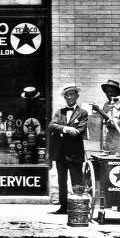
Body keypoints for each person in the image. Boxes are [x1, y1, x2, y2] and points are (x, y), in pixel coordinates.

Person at [47, 84, 88, 215]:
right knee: (62, 181)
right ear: (64, 97)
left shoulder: (82, 113)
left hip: (75, 153)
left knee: (77, 180)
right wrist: (66, 129)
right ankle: (63, 207)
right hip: (60, 153)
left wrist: (63, 129)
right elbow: (51, 125)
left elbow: (79, 130)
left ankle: (78, 207)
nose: (70, 97)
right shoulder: (60, 112)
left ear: (77, 96)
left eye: (72, 94)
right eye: (67, 95)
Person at [99, 79, 120, 155]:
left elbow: (115, 124)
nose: (109, 94)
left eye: (111, 92)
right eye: (107, 92)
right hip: (105, 144)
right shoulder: (106, 105)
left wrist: (102, 113)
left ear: (116, 93)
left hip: (116, 146)